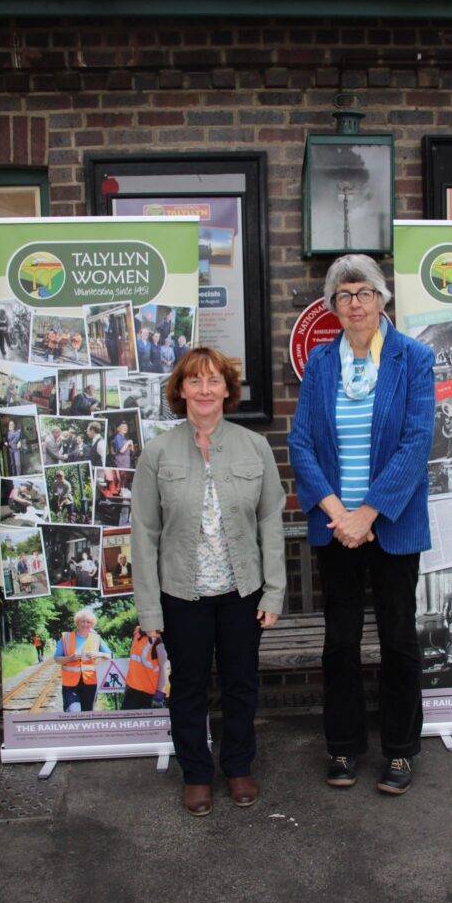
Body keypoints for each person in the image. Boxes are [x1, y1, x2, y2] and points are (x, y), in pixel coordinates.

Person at [288, 254, 435, 796]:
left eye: (364, 292)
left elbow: (417, 441)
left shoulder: (413, 358)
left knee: (398, 640)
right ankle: (344, 746)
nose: (355, 303)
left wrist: (367, 513)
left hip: (389, 525)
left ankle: (400, 751)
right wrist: (337, 513)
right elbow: (302, 442)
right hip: (337, 527)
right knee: (340, 642)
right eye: (344, 295)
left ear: (382, 300)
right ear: (332, 306)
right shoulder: (323, 364)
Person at [132, 347, 286, 817]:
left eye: (213, 380)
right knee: (190, 688)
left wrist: (275, 591)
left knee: (242, 684)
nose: (204, 390)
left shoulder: (253, 447)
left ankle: (238, 767)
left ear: (227, 389)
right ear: (180, 390)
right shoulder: (158, 452)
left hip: (242, 592)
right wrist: (150, 612)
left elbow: (271, 521)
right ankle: (197, 774)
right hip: (183, 594)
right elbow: (144, 534)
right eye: (194, 381)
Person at [54, 609, 111, 713]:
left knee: (87, 713)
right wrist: (70, 658)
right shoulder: (66, 637)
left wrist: (98, 654)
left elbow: (109, 655)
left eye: (88, 622)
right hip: (70, 684)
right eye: (82, 621)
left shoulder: (97, 638)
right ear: (77, 622)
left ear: (92, 624)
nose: (85, 624)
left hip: (90, 682)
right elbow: (57, 659)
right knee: (73, 711)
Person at [121, 626, 168, 710]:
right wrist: (127, 685)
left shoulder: (159, 640)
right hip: (133, 690)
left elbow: (165, 669)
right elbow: (134, 663)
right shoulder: (138, 632)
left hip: (152, 694)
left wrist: (159, 696)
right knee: (124, 722)